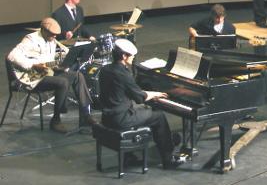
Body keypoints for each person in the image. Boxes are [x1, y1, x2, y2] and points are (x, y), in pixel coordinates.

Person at [98, 39, 180, 169]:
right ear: (124, 56)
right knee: (158, 116)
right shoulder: (123, 74)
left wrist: (145, 93)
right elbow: (139, 97)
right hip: (121, 119)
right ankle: (168, 158)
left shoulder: (105, 69)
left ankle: (130, 155)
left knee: (145, 111)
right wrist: (156, 93)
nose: (133, 58)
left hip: (107, 116)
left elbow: (128, 91)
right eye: (132, 56)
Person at [7, 17, 95, 132]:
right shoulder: (31, 39)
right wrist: (33, 65)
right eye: (52, 34)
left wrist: (62, 65)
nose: (54, 37)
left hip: (47, 73)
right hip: (32, 78)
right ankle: (56, 120)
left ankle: (85, 116)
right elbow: (12, 56)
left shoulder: (51, 40)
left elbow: (48, 61)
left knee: (77, 76)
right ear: (43, 30)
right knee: (62, 82)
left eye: (56, 35)